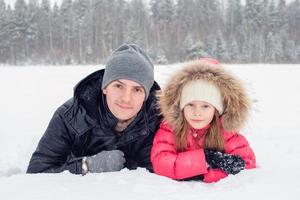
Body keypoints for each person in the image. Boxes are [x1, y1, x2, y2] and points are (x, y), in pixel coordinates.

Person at [27, 44, 162, 175]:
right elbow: (37, 172)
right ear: (105, 87)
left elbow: (163, 173)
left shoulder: (156, 120)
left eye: (137, 89)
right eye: (118, 86)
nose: (126, 98)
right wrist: (87, 166)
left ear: (146, 95)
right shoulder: (71, 117)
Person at [151, 59, 256, 183]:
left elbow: (246, 163)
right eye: (190, 105)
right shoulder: (170, 128)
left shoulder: (226, 131)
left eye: (205, 106)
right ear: (181, 106)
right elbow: (161, 162)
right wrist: (205, 158)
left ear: (216, 110)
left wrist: (207, 174)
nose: (197, 112)